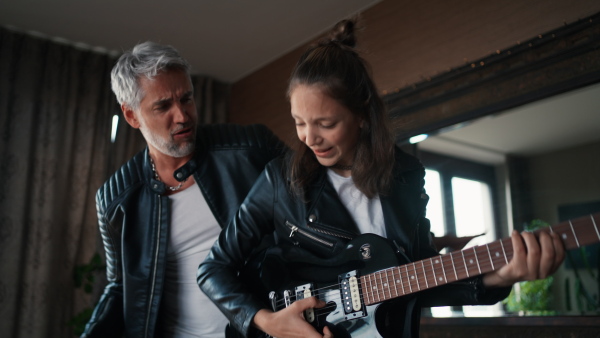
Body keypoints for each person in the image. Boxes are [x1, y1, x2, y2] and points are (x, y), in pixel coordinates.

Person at [197, 19, 566, 338]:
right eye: (299, 122)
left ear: (362, 115)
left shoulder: (405, 177)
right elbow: (213, 269)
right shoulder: (280, 181)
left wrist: (502, 277)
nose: (309, 138)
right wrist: (268, 323)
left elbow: (418, 282)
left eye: (326, 124)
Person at [81, 41, 285, 338]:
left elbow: (320, 199)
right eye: (163, 106)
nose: (182, 115)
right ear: (131, 116)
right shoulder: (115, 199)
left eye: (186, 99)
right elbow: (121, 285)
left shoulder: (252, 147)